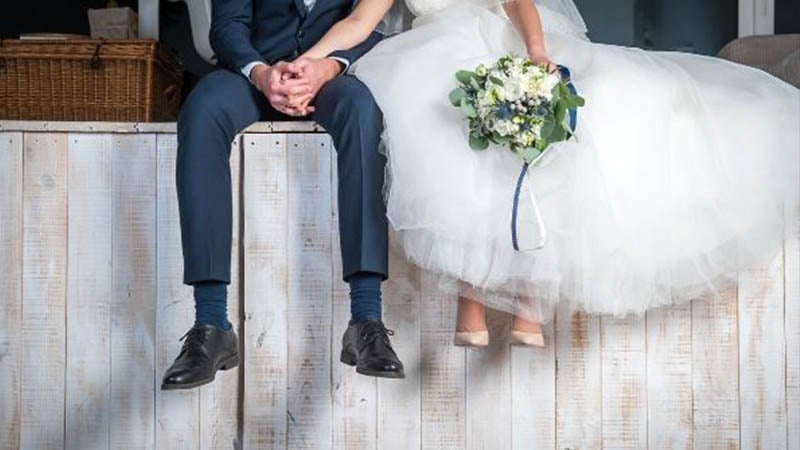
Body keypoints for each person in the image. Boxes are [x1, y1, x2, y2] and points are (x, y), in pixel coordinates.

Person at [298, 0, 800, 346]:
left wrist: (537, 53)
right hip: (432, 50)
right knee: (442, 123)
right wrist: (303, 63)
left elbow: (519, 2)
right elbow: (360, 24)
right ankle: (472, 301)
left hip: (503, 37)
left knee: (579, 112)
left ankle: (529, 301)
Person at [161, 0, 406, 390]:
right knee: (202, 108)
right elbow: (226, 26)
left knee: (363, 112)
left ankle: (365, 319)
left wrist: (327, 66)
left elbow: (374, 25)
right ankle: (211, 325)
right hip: (255, 79)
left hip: (333, 78)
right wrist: (260, 73)